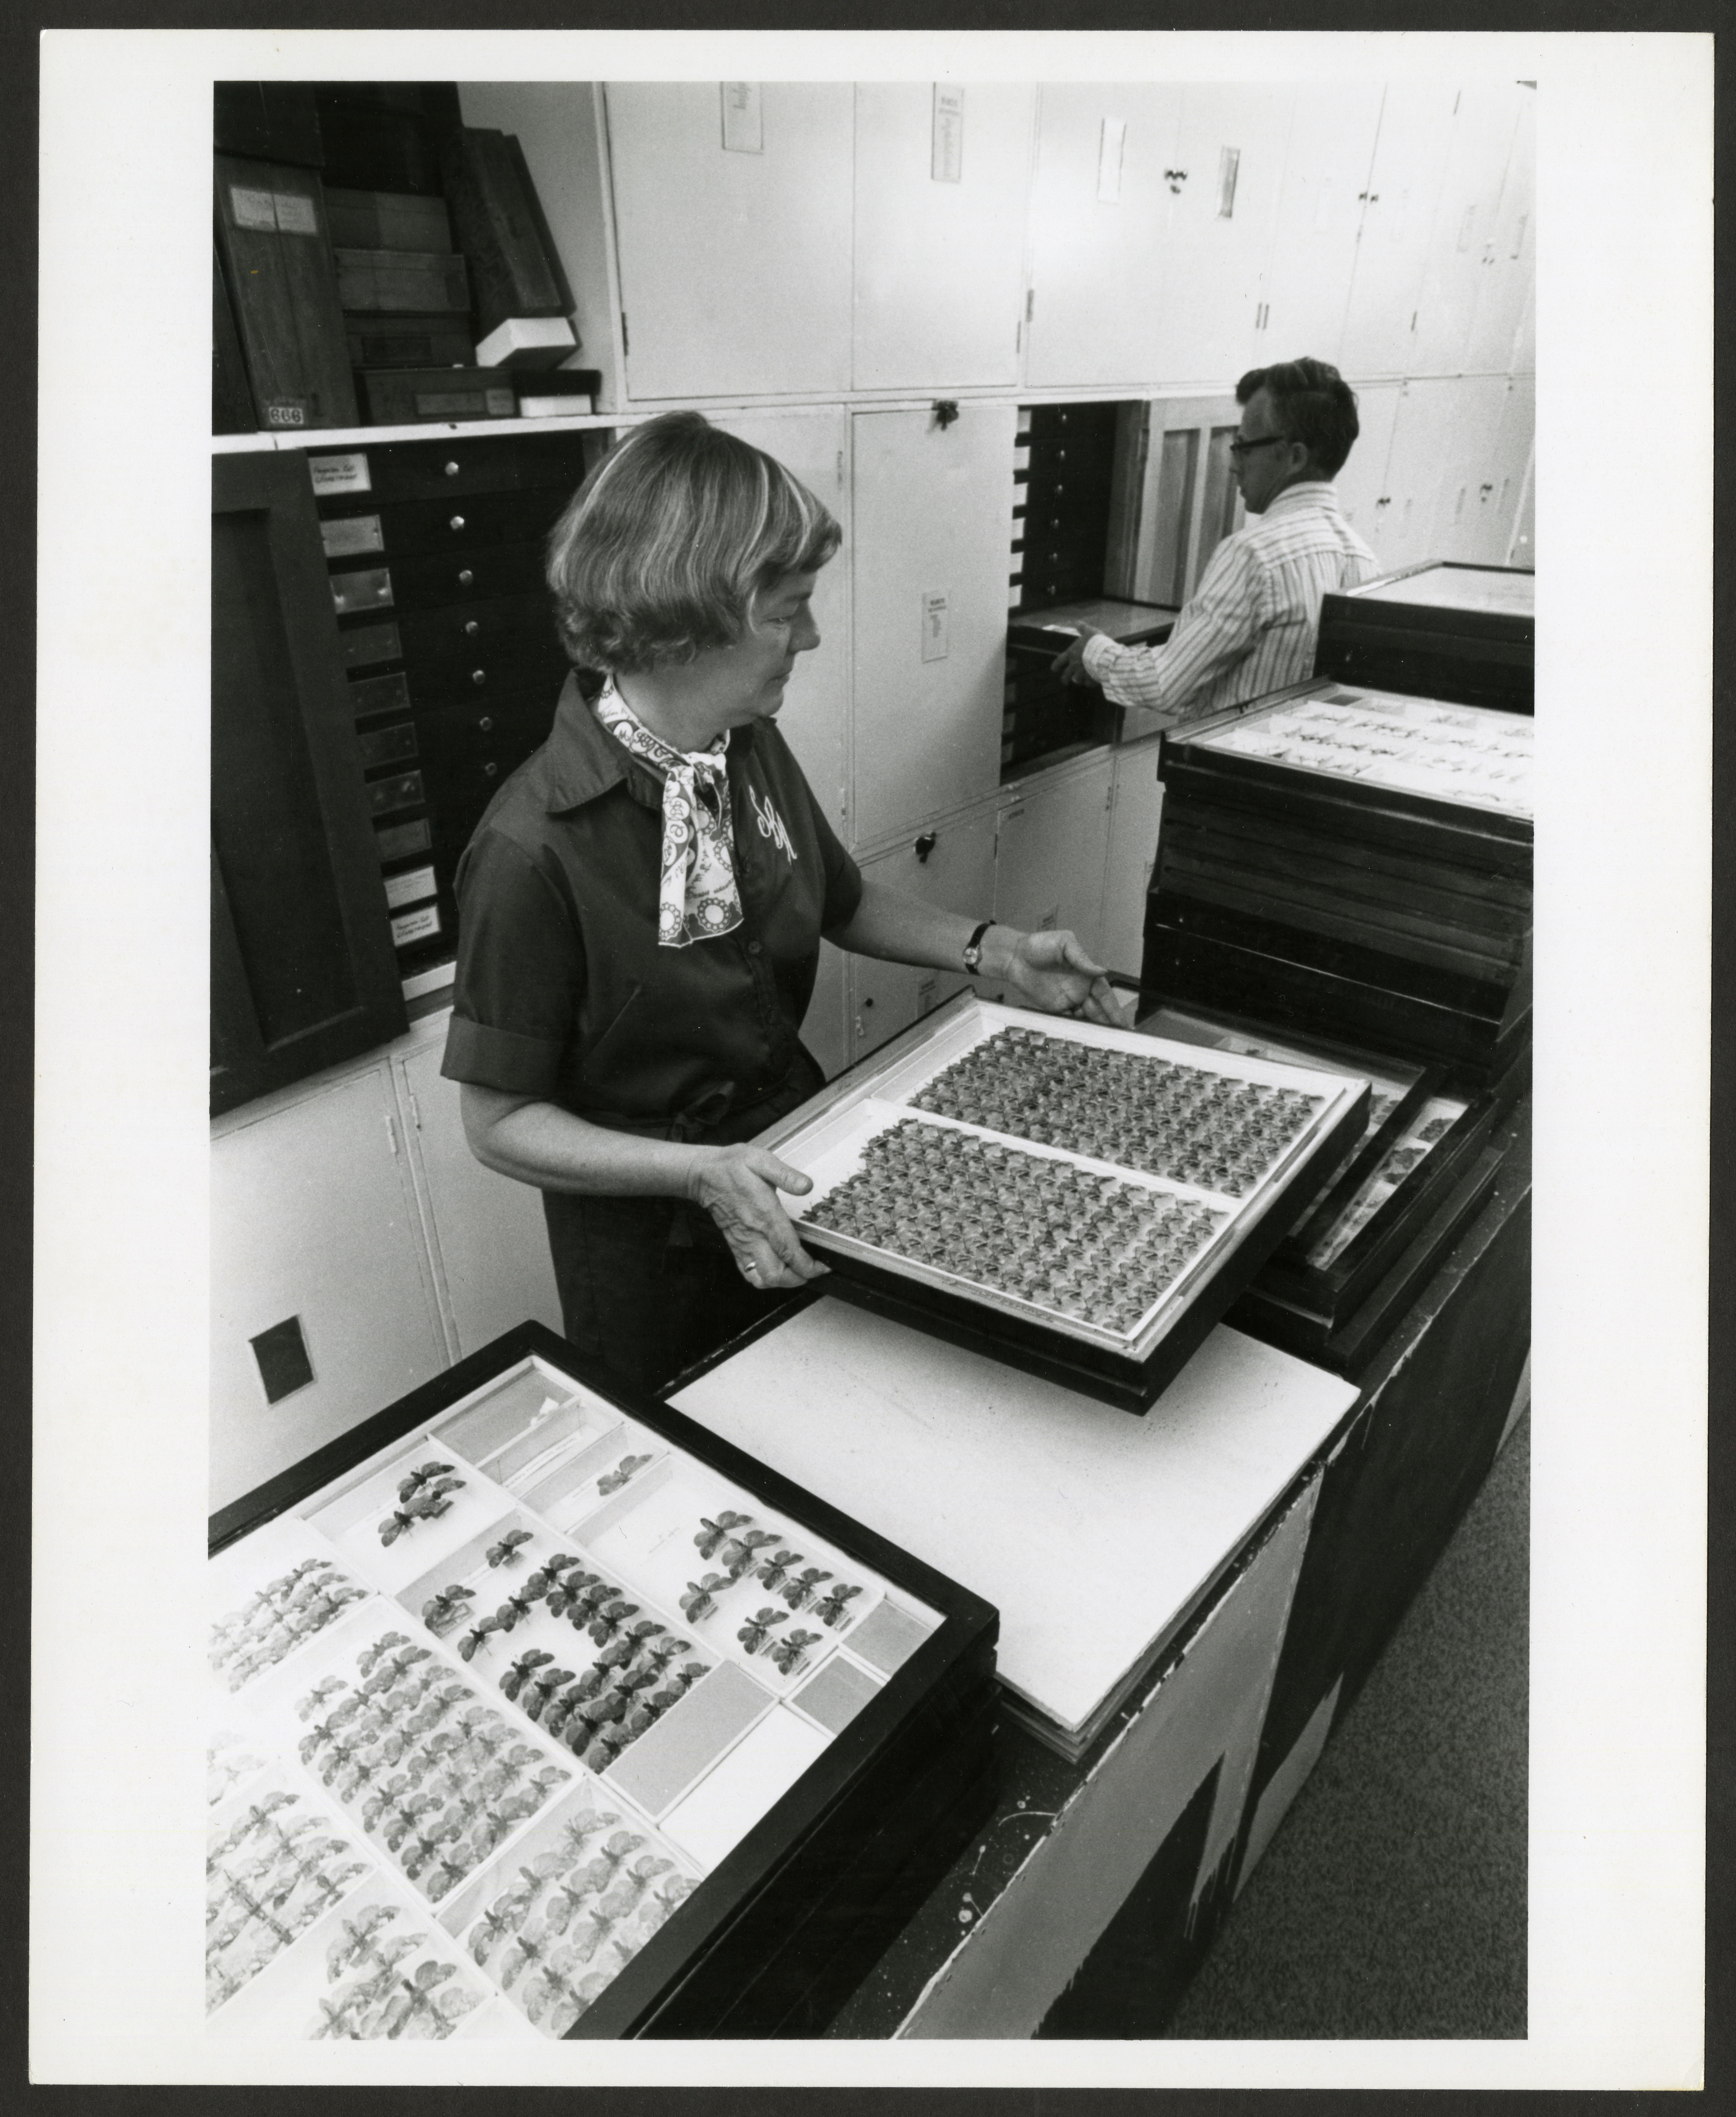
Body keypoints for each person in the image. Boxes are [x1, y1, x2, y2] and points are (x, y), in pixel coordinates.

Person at [441, 410, 1125, 1395]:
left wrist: (997, 951)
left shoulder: (741, 741)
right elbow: (497, 1122)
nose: (808, 634)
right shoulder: (531, 848)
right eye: (785, 609)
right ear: (685, 614)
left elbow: (838, 898)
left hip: (790, 1162)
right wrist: (695, 1171)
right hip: (653, 1244)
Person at [1050, 357, 1379, 721]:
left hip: (1231, 771)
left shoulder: (1255, 555)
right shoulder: (1365, 561)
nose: (1233, 463)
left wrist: (1095, 651)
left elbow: (1166, 683)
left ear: (1294, 457)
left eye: (1243, 446)